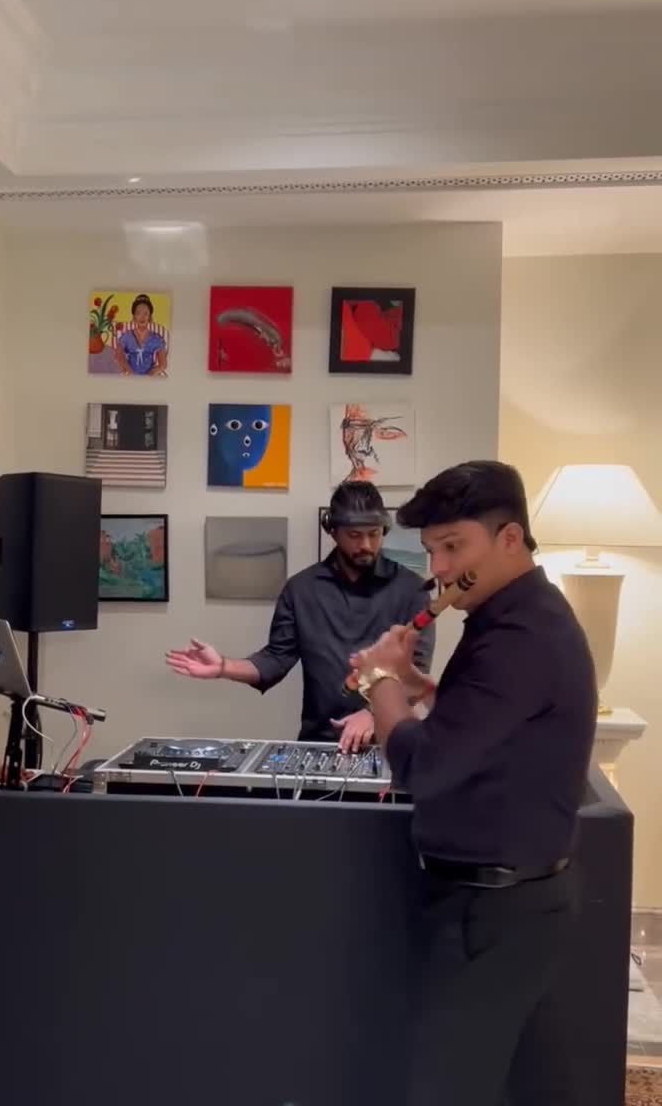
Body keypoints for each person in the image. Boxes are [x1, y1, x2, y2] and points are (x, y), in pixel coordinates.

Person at [349, 460, 597, 1106]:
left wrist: (379, 683)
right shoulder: (516, 617)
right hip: (518, 902)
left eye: (453, 547)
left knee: (446, 1088)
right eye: (432, 551)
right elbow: (487, 726)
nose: (438, 568)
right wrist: (417, 684)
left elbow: (423, 766)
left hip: (493, 911)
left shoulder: (518, 636)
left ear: (509, 538)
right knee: (539, 1085)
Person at [166, 482, 435, 749]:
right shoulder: (301, 589)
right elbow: (275, 659)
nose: (366, 544)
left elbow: (417, 670)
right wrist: (223, 666)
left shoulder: (412, 589)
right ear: (333, 531)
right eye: (354, 535)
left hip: (392, 741)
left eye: (374, 534)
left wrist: (372, 713)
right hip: (321, 741)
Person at [114, 294, 167, 376]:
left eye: (145, 313)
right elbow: (119, 355)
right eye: (138, 313)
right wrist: (130, 372)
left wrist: (150, 375)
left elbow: (163, 364)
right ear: (134, 317)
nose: (142, 317)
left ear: (150, 317)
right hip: (130, 375)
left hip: (150, 376)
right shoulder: (127, 336)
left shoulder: (156, 338)